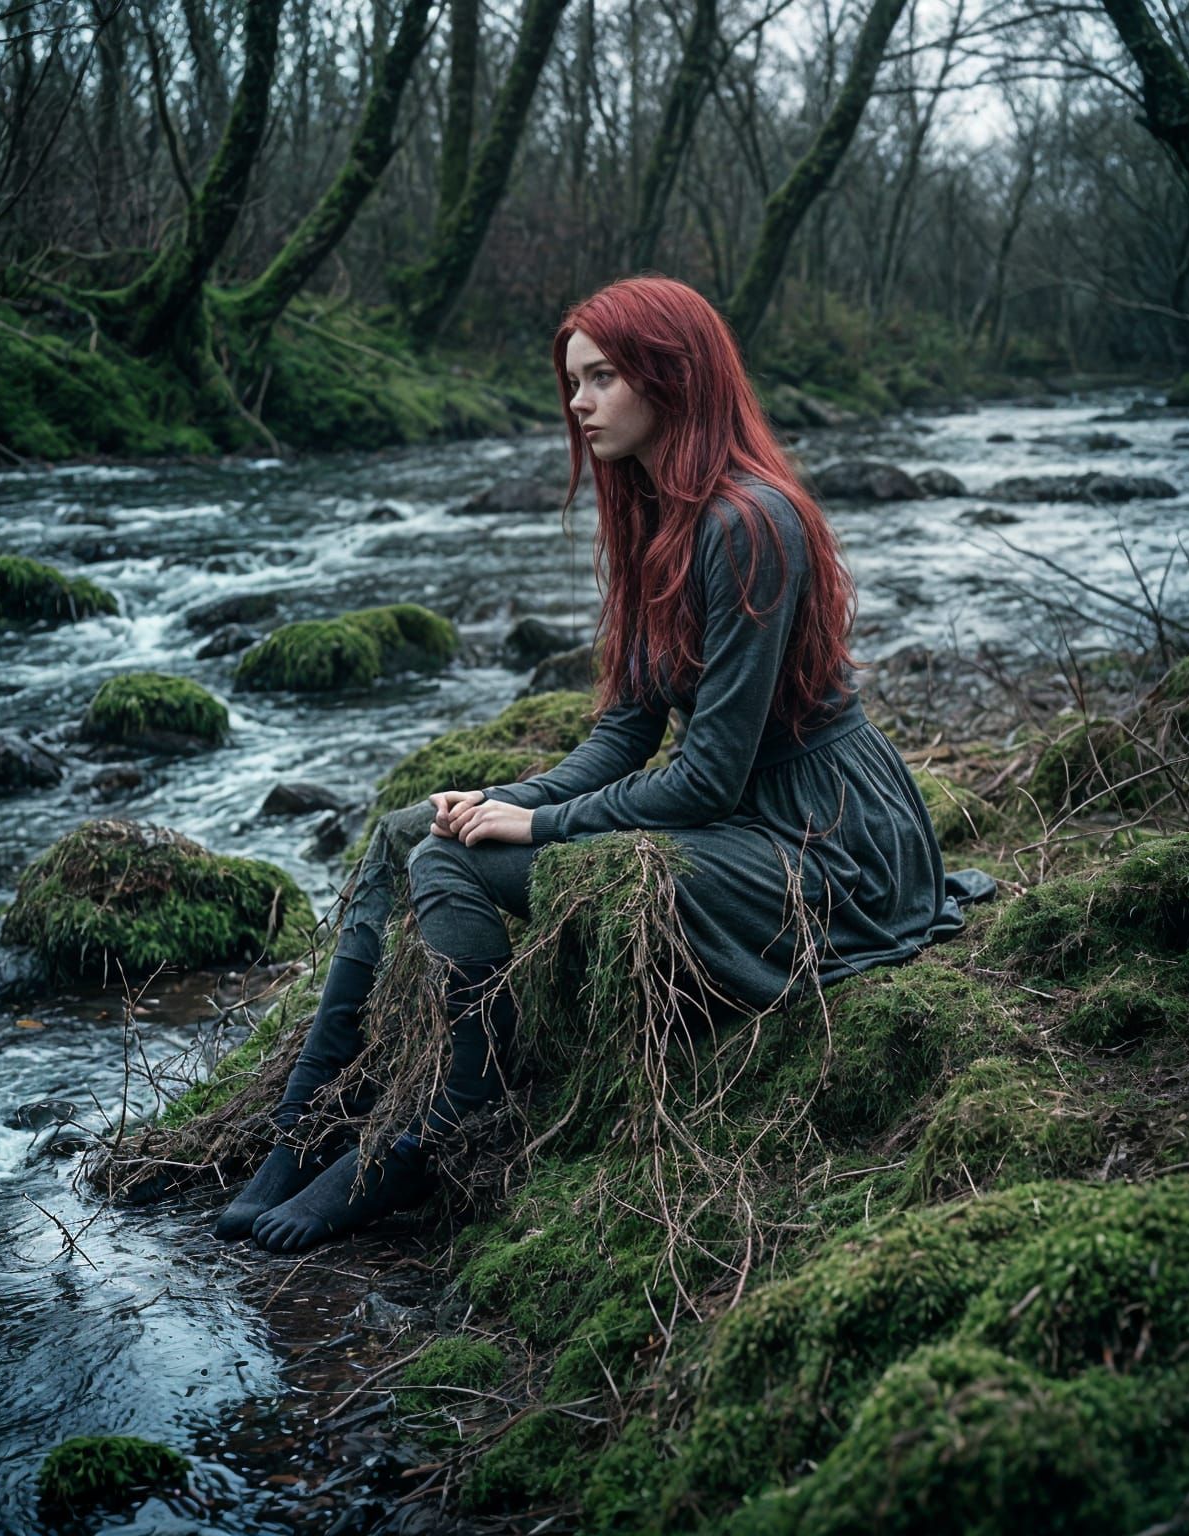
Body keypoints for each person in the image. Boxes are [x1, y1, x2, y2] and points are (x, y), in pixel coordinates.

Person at [214, 274, 972, 1254]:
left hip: (821, 839)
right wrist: (496, 798)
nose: (577, 405)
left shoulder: (751, 524)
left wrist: (535, 824)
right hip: (743, 817)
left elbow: (709, 778)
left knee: (448, 860)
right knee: (407, 833)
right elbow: (622, 736)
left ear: (674, 376)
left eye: (602, 378)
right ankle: (298, 1128)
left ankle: (444, 1125)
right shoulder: (656, 519)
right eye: (575, 382)